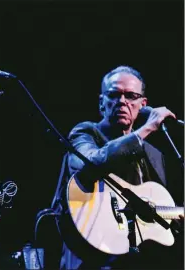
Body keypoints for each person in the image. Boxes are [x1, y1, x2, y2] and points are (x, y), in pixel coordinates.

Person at [52, 65, 183, 269]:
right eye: (114, 94)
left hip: (140, 257)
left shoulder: (155, 156)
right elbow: (88, 164)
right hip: (91, 255)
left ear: (143, 105)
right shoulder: (85, 133)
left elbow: (159, 213)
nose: (122, 101)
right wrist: (147, 128)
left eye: (131, 96)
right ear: (101, 103)